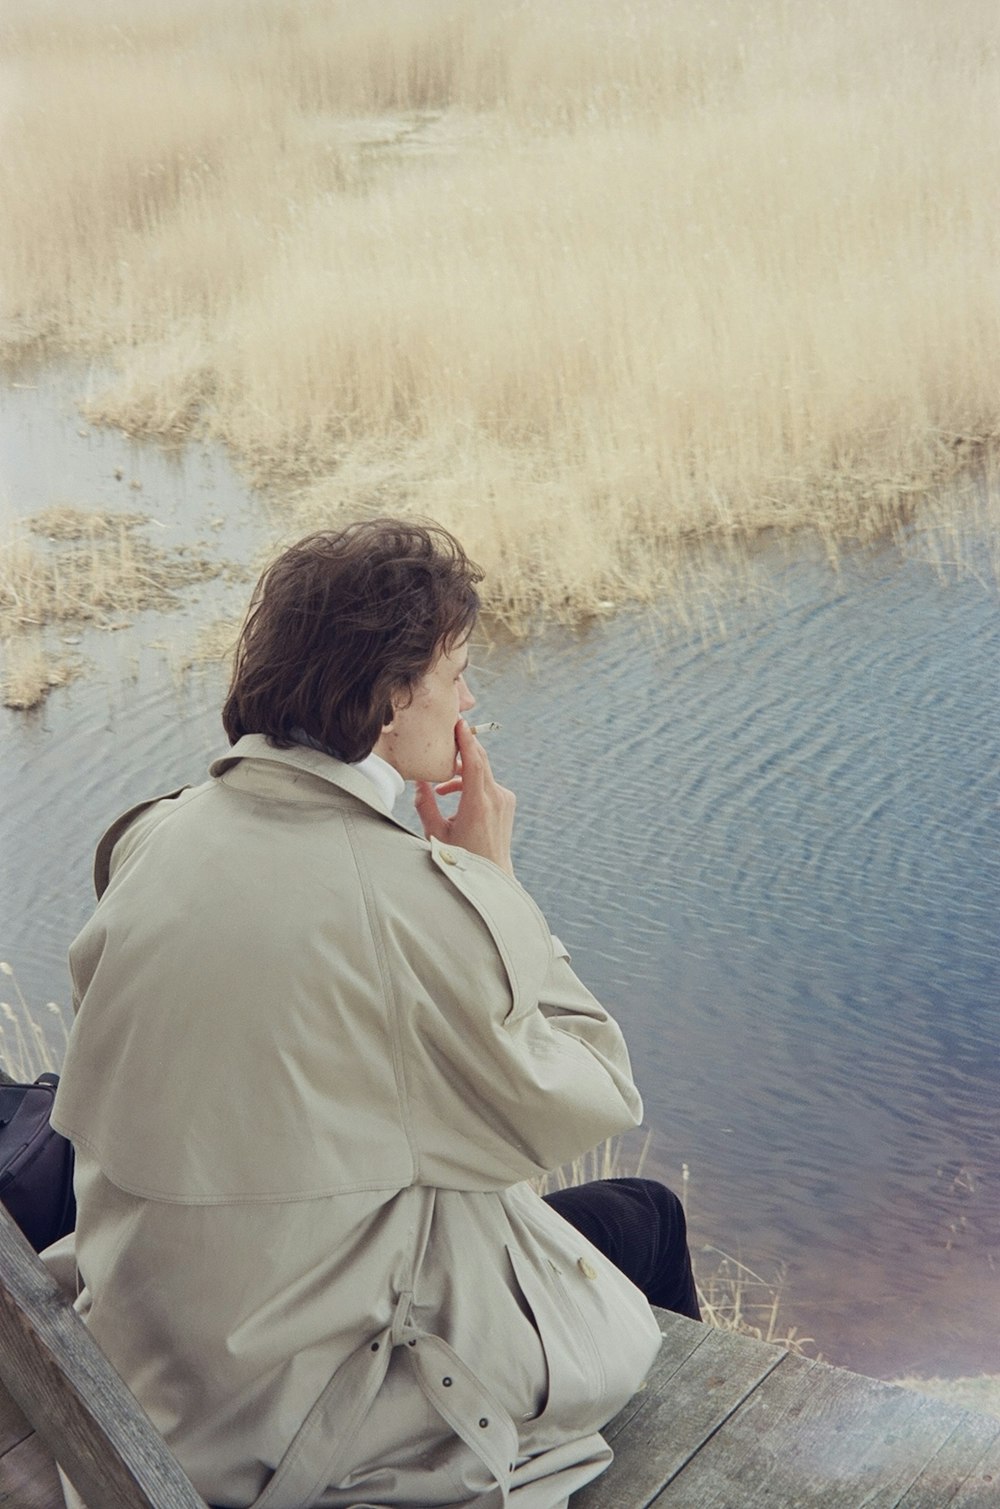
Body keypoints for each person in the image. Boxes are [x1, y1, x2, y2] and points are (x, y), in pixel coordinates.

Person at [49, 520, 699, 1509]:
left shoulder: (154, 835)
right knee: (637, 1229)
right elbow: (591, 1092)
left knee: (623, 1221)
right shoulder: (411, 901)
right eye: (458, 672)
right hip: (291, 1409)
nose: (471, 699)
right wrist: (493, 885)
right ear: (395, 696)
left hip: (157, 1355)